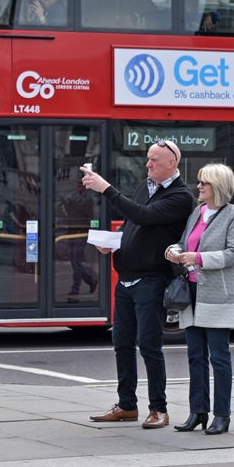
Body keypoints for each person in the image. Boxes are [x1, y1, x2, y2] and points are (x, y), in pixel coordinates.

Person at [80, 140, 193, 429]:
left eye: (154, 160)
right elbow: (132, 223)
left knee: (149, 345)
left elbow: (144, 215)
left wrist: (106, 188)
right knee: (122, 342)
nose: (148, 164)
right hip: (126, 279)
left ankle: (159, 409)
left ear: (172, 164)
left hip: (152, 280)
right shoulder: (146, 187)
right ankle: (127, 405)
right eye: (148, 159)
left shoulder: (181, 196)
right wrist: (113, 243)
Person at [165, 163, 234, 435]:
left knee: (219, 357)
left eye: (204, 183)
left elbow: (233, 254)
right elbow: (184, 242)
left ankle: (222, 415)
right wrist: (174, 251)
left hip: (218, 295)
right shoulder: (197, 213)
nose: (198, 187)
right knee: (195, 356)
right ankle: (197, 412)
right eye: (199, 182)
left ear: (218, 187)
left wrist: (197, 258)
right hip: (192, 292)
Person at [60, 177, 98, 302]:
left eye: (80, 184)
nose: (78, 186)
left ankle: (75, 289)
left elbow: (90, 216)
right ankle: (91, 280)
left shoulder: (88, 199)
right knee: (74, 262)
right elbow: (69, 215)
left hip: (81, 233)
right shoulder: (73, 197)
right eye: (77, 184)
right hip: (72, 232)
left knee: (76, 262)